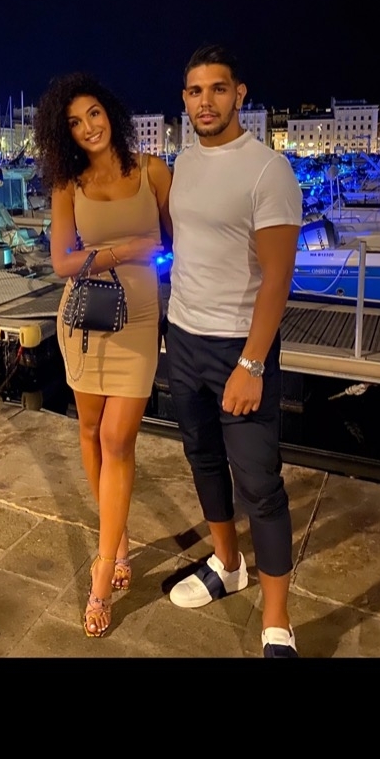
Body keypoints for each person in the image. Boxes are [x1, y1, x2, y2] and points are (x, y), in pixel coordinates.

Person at [165, 44, 302, 658]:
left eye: (218, 89)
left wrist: (251, 363)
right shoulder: (184, 161)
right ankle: (227, 564)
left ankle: (277, 622)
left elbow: (277, 278)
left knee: (260, 485)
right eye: (195, 91)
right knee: (202, 458)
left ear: (239, 94)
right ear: (185, 99)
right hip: (183, 337)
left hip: (239, 348)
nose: (206, 101)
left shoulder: (268, 171)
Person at [35, 71, 172, 638]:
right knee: (90, 432)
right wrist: (127, 249)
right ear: (64, 133)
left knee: (117, 438)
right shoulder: (68, 184)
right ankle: (117, 541)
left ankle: (101, 568)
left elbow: (174, 239)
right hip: (84, 322)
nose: (88, 127)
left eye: (93, 113)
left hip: (138, 322)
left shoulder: (152, 171)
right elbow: (61, 262)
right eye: (74, 122)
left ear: (110, 112)